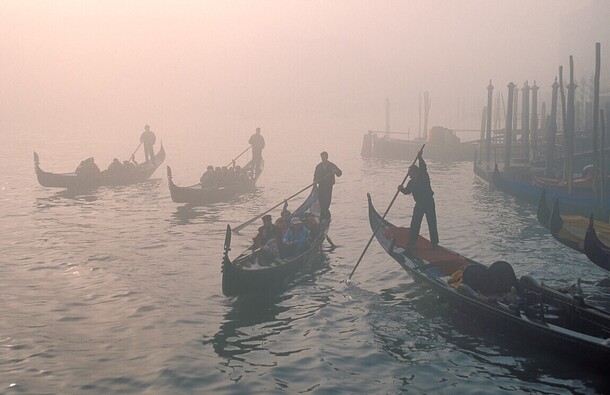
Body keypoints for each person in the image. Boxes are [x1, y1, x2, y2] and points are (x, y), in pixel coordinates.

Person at [397, 150, 439, 248]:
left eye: (409, 173)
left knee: (432, 222)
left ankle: (434, 243)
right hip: (419, 203)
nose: (408, 175)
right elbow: (407, 191)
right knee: (415, 223)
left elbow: (423, 166)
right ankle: (412, 242)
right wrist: (401, 189)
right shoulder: (411, 182)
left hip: (429, 202)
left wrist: (419, 156)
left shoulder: (423, 176)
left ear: (414, 171)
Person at [313, 151, 342, 222]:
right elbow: (315, 177)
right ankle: (324, 216)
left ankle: (325, 216)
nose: (323, 158)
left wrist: (336, 171)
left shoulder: (331, 165)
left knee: (327, 201)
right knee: (321, 201)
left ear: (327, 157)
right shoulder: (318, 166)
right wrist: (315, 185)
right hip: (321, 186)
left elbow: (340, 173)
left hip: (328, 187)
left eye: (324, 157)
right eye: (322, 157)